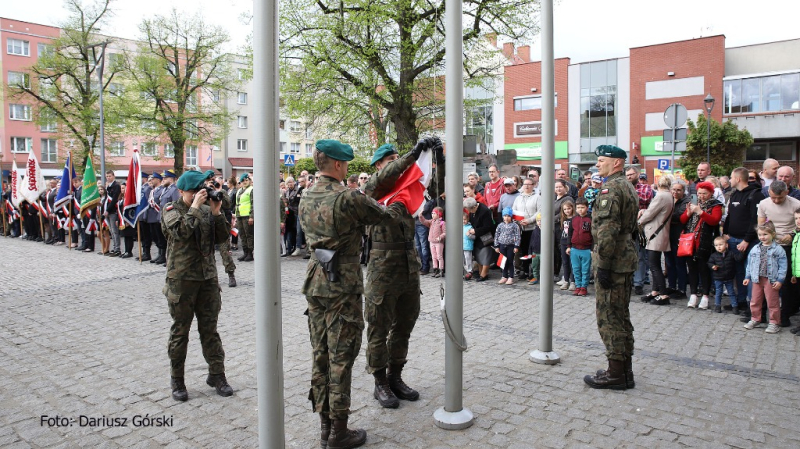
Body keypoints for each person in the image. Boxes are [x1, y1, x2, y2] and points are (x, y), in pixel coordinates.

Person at [299, 140, 417, 449]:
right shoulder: (348, 197)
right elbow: (385, 217)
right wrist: (397, 203)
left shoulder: (306, 195)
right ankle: (339, 432)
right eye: (347, 164)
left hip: (316, 280)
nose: (349, 169)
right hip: (342, 285)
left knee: (320, 355)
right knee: (341, 357)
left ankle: (325, 427)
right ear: (338, 165)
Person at [362, 139, 443, 410]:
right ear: (378, 165)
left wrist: (437, 158)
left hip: (408, 267)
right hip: (382, 270)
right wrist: (411, 154)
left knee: (404, 326)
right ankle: (380, 382)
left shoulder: (406, 189)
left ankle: (395, 376)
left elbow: (438, 190)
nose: (399, 164)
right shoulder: (373, 188)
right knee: (378, 328)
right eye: (391, 160)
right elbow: (388, 175)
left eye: (399, 158)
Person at [161, 169, 233, 403]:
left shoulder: (205, 210)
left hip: (207, 280)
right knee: (180, 331)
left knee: (210, 331)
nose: (199, 194)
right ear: (181, 191)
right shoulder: (171, 210)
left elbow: (222, 238)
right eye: (194, 191)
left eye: (201, 190)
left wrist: (216, 212)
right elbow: (181, 232)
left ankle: (217, 374)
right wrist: (194, 208)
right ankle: (177, 379)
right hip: (182, 281)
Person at [584, 144, 638, 391]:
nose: (598, 164)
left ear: (616, 163)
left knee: (609, 316)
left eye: (602, 160)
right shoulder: (626, 185)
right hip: (624, 258)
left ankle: (616, 374)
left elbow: (607, 232)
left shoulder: (610, 189)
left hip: (613, 260)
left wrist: (603, 265)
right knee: (621, 313)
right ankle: (623, 370)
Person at [756, 180, 800, 327]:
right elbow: (761, 226)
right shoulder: (763, 204)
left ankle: (785, 315)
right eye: (773, 197)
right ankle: (760, 315)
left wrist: (792, 235)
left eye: (779, 198)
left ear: (786, 193)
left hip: (788, 246)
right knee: (764, 280)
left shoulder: (796, 204)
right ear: (769, 193)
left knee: (785, 282)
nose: (776, 200)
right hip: (770, 246)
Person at [723, 167, 764, 318]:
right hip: (733, 239)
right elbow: (729, 216)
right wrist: (726, 233)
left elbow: (756, 221)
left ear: (738, 179)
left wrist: (747, 240)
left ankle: (751, 306)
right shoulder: (734, 194)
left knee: (751, 274)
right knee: (739, 273)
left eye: (731, 177)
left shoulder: (755, 195)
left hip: (749, 242)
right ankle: (740, 301)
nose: (729, 180)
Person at [680, 182, 723, 310]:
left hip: (705, 241)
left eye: (704, 193)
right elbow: (683, 220)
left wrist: (701, 212)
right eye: (699, 193)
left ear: (710, 193)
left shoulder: (716, 205)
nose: (701, 196)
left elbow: (714, 220)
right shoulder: (694, 203)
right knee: (691, 268)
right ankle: (693, 294)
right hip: (690, 241)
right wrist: (688, 213)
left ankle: (705, 295)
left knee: (704, 269)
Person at [743, 222, 787, 334]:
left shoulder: (778, 249)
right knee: (755, 300)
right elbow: (750, 263)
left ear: (773, 234)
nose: (762, 237)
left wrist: (780, 280)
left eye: (765, 234)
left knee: (772, 302)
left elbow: (783, 266)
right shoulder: (755, 249)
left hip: (771, 280)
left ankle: (774, 322)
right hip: (757, 279)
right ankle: (755, 318)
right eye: (760, 235)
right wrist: (747, 276)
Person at [638, 175, 674, 305]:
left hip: (655, 233)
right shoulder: (669, 195)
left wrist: (639, 222)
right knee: (656, 263)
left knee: (654, 265)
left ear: (658, 184)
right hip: (660, 232)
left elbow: (650, 213)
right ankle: (655, 291)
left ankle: (663, 294)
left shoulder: (661, 196)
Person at [206, 176, 237, 287]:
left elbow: (228, 204)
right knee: (207, 253)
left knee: (225, 251)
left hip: (220, 225)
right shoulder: (201, 193)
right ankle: (210, 277)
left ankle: (231, 274)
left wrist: (217, 193)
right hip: (207, 226)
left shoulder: (221, 191)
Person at [627, 166, 652, 296]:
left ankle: (638, 283)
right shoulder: (625, 187)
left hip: (641, 226)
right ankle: (628, 280)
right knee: (627, 255)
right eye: (627, 175)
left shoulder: (645, 187)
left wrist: (629, 194)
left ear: (637, 174)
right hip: (627, 226)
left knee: (640, 256)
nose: (629, 177)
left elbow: (644, 198)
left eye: (631, 174)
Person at [512, 177, 541, 279]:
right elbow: (514, 210)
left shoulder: (537, 197)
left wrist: (529, 220)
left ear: (533, 186)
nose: (527, 186)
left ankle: (532, 271)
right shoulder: (518, 198)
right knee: (523, 250)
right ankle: (524, 270)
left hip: (532, 228)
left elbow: (539, 211)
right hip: (521, 228)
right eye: (525, 184)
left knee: (532, 250)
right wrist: (518, 220)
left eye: (529, 184)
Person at [708, 237, 741, 313]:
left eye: (720, 244)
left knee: (731, 292)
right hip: (718, 277)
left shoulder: (731, 253)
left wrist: (741, 252)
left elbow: (738, 258)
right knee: (718, 293)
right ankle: (717, 306)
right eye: (716, 245)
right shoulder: (714, 255)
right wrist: (713, 266)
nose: (718, 247)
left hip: (729, 277)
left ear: (726, 245)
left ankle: (735, 306)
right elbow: (709, 263)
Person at [567, 197, 592, 296]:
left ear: (587, 207)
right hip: (574, 248)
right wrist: (569, 246)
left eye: (582, 207)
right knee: (576, 268)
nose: (580, 210)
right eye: (578, 208)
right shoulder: (574, 219)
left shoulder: (590, 219)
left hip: (586, 249)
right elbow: (569, 233)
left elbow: (594, 235)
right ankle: (578, 286)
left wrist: (592, 248)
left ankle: (583, 287)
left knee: (585, 269)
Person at [464, 196, 494, 282]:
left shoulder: (485, 211)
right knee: (479, 255)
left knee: (485, 256)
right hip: (477, 236)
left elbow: (488, 227)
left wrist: (475, 230)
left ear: (474, 207)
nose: (469, 212)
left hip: (486, 237)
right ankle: (481, 273)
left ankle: (484, 274)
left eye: (470, 210)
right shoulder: (472, 211)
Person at [494, 206, 521, 285]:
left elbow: (517, 236)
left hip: (511, 246)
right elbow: (497, 235)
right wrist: (496, 246)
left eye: (508, 216)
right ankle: (504, 275)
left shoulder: (515, 226)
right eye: (505, 216)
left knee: (510, 261)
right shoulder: (500, 225)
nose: (506, 218)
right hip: (502, 245)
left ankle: (511, 276)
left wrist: (516, 246)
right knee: (503, 261)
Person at [419, 206, 446, 278]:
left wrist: (440, 237)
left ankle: (441, 270)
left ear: (439, 214)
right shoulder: (431, 222)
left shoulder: (442, 223)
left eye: (434, 213)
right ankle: (435, 269)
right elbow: (424, 222)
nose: (432, 215)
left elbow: (445, 232)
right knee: (434, 256)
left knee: (439, 256)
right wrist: (421, 216)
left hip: (439, 242)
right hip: (432, 242)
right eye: (432, 213)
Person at [558, 199, 576, 291]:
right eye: (565, 209)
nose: (567, 211)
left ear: (572, 208)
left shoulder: (575, 219)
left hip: (572, 243)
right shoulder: (563, 219)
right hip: (563, 242)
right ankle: (566, 280)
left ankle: (573, 281)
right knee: (565, 263)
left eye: (568, 208)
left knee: (572, 262)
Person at [235, 174, 254, 262]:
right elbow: (237, 204)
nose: (245, 182)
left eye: (246, 180)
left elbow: (253, 204)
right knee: (242, 235)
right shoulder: (239, 191)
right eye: (243, 181)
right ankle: (245, 252)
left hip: (247, 216)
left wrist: (251, 216)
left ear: (249, 181)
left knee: (248, 234)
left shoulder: (251, 190)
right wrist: (235, 215)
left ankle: (250, 253)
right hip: (239, 215)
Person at [105, 170, 122, 256]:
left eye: (109, 176)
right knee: (111, 230)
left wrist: (107, 210)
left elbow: (114, 199)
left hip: (113, 211)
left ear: (113, 176)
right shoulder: (108, 187)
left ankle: (117, 248)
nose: (108, 178)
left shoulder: (116, 186)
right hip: (108, 210)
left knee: (115, 231)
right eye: (107, 176)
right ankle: (114, 246)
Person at [789, 209, 800, 335]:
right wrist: (794, 273)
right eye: (796, 218)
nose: (798, 221)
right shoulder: (796, 234)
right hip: (797, 273)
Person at [525, 213, 543, 285]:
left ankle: (543, 279)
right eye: (538, 220)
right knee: (534, 266)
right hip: (535, 252)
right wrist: (530, 252)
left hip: (542, 252)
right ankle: (535, 278)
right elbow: (531, 242)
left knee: (543, 267)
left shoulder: (547, 230)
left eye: (541, 220)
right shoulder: (535, 230)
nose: (539, 222)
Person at [462, 211, 475, 280]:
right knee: (462, 260)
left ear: (467, 219)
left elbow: (474, 237)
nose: (463, 221)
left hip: (467, 246)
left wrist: (469, 235)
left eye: (465, 219)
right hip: (460, 246)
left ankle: (470, 271)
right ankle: (464, 271)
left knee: (468, 259)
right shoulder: (459, 226)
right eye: (462, 219)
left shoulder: (470, 227)